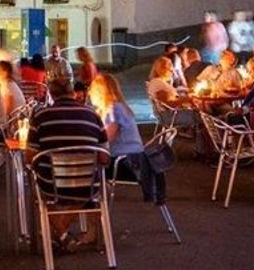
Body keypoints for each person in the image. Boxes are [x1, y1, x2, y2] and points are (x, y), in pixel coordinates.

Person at [27, 75, 109, 249]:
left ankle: (60, 235)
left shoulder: (41, 117)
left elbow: (30, 157)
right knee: (81, 188)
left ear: (51, 94)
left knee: (37, 189)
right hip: (88, 184)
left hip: (52, 185)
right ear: (73, 92)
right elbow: (104, 157)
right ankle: (63, 236)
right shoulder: (93, 115)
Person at [90, 73, 164, 203]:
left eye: (92, 90)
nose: (90, 93)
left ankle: (90, 202)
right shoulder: (121, 107)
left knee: (87, 165)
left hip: (124, 163)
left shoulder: (112, 110)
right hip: (137, 159)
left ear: (100, 92)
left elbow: (106, 138)